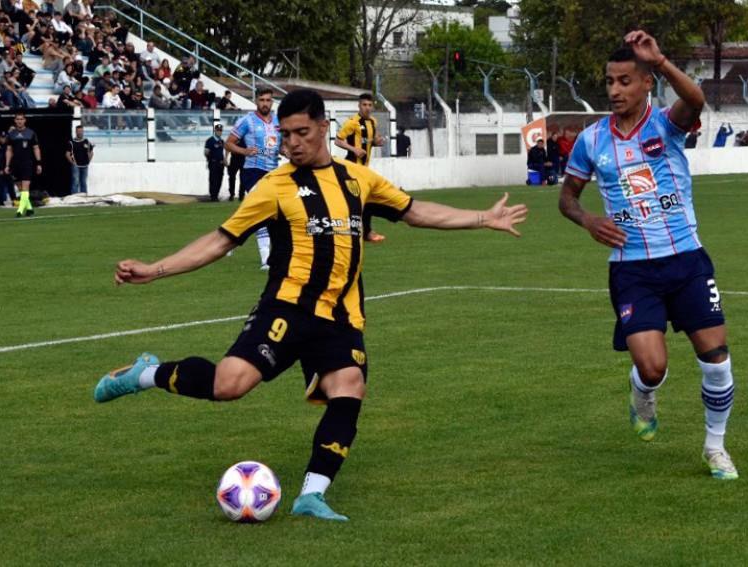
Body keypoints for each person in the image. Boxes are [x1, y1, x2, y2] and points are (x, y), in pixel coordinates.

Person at [92, 88, 529, 522]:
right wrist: (155, 269)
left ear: (324, 127)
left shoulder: (359, 180)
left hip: (340, 316)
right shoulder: (274, 187)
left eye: (302, 132)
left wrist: (482, 218)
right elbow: (221, 240)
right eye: (286, 135)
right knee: (229, 385)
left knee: (349, 386)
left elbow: (415, 211)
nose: (293, 143)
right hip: (286, 309)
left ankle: (311, 495)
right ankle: (144, 373)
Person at [559, 32, 738, 480]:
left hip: (687, 260)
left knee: (716, 359)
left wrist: (660, 60)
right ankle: (643, 392)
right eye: (610, 82)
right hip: (632, 269)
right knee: (652, 366)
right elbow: (567, 197)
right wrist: (587, 220)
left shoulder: (665, 125)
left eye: (625, 81)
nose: (615, 90)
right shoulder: (591, 140)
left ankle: (715, 448)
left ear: (645, 85)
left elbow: (695, 100)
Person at [226, 87, 282, 269]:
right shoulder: (247, 121)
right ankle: (266, 258)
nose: (265, 103)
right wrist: (244, 151)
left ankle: (229, 236)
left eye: (268, 100)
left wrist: (289, 152)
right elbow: (228, 143)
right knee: (262, 212)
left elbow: (279, 146)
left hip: (273, 172)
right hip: (253, 171)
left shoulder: (278, 121)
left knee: (259, 212)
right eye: (262, 100)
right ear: (256, 101)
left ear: (272, 102)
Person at [335, 93, 386, 243]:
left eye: (370, 105)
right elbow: (338, 141)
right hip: (351, 168)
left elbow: (371, 141)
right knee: (360, 201)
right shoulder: (352, 122)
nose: (367, 108)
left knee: (364, 201)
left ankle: (362, 232)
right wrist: (354, 149)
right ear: (359, 105)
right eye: (364, 105)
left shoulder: (373, 122)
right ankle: (363, 232)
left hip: (364, 169)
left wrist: (377, 142)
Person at [5, 111, 42, 218]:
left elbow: (36, 148)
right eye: (18, 119)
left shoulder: (31, 133)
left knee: (25, 187)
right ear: (15, 120)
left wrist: (39, 163)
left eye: (21, 119)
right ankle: (29, 209)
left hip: (27, 163)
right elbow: (9, 150)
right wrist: (7, 165)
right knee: (21, 188)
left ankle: (20, 211)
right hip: (15, 164)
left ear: (25, 120)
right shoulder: (11, 134)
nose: (20, 121)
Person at [66, 125, 94, 194]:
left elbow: (91, 152)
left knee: (83, 182)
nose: (80, 133)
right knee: (75, 181)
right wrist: (73, 163)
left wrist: (88, 161)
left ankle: (84, 196)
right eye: (78, 131)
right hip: (76, 166)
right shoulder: (71, 142)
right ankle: (74, 196)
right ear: (76, 132)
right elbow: (67, 154)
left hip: (85, 166)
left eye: (81, 131)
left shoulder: (87, 141)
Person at [204, 123, 226, 202]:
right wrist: (210, 159)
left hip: (220, 163)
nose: (219, 132)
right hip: (213, 163)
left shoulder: (221, 141)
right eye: (218, 130)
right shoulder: (210, 140)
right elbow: (206, 152)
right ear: (215, 131)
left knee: (219, 179)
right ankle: (213, 196)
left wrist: (224, 160)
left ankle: (216, 195)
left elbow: (221, 152)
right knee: (213, 179)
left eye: (220, 131)